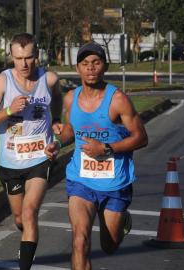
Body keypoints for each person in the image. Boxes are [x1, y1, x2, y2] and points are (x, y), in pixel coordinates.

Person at [45, 42, 148, 270]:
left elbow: (141, 137)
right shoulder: (71, 98)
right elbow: (71, 129)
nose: (90, 68)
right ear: (78, 68)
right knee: (80, 241)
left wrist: (106, 149)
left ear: (104, 67)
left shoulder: (118, 99)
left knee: (109, 245)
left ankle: (122, 220)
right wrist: (58, 142)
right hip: (81, 181)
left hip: (115, 184)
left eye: (96, 63)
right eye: (85, 64)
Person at [0, 33, 62, 270]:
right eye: (18, 58)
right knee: (19, 219)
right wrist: (8, 110)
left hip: (40, 158)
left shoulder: (49, 79)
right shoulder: (3, 81)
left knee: (29, 212)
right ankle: (26, 237)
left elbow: (57, 97)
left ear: (37, 56)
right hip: (10, 162)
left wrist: (56, 119)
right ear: (11, 57)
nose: (24, 64)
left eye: (29, 58)